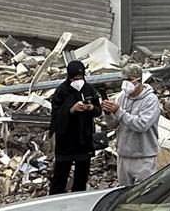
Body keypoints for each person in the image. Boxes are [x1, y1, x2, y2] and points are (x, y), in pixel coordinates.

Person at [47, 59, 110, 194]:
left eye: (80, 78)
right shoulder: (61, 91)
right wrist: (71, 109)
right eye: (75, 78)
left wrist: (91, 107)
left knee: (81, 178)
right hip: (66, 141)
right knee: (60, 177)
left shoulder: (88, 89)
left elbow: (98, 111)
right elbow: (56, 116)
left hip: (84, 140)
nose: (78, 81)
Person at [113, 64, 163, 187]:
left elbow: (142, 125)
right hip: (124, 156)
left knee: (145, 195)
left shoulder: (150, 100)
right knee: (124, 195)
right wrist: (108, 113)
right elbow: (113, 123)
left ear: (139, 80)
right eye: (123, 80)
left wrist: (119, 112)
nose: (125, 83)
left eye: (129, 80)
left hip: (144, 157)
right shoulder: (121, 98)